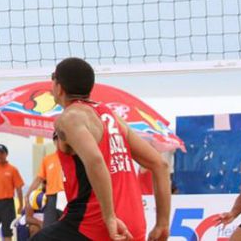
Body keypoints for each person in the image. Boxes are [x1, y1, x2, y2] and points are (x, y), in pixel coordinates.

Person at [33, 57, 171, 241]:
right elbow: (160, 164)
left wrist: (109, 217)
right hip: (133, 225)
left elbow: (96, 160)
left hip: (96, 224)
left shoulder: (69, 118)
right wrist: (162, 224)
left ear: (59, 87)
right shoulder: (112, 117)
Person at [25, 132, 65, 227]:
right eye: (56, 139)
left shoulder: (72, 158)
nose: (59, 142)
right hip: (51, 197)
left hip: (66, 196)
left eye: (61, 139)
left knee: (66, 227)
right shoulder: (47, 159)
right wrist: (28, 195)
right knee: (49, 227)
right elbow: (39, 178)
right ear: (54, 141)